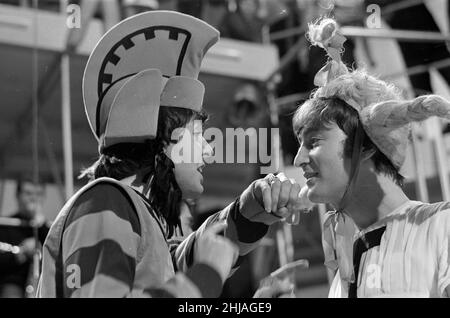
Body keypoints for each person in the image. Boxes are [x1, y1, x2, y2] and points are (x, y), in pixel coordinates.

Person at [37, 10, 303, 298]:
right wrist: (205, 278)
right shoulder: (105, 200)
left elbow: (188, 259)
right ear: (159, 137)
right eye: (198, 133)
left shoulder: (135, 217)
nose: (209, 148)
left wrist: (256, 205)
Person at [289, 18, 450, 297]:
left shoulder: (442, 227)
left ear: (365, 146)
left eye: (313, 141)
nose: (298, 160)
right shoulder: (343, 274)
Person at [0, 178, 50, 298]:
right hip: (13, 284)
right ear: (18, 196)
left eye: (38, 194)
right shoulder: (6, 225)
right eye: (28, 193)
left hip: (44, 283)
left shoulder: (49, 229)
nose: (33, 198)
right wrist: (21, 252)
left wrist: (41, 223)